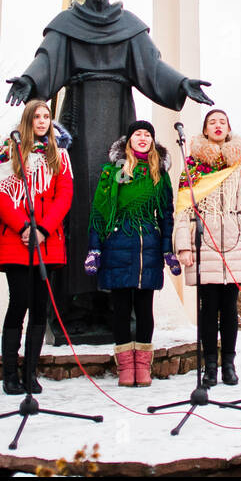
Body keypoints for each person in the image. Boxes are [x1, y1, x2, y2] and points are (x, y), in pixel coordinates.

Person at [4, 0, 213, 315]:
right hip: (78, 117)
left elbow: (153, 66)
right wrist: (29, 79)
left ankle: (115, 296)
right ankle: (77, 299)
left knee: (121, 196)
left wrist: (181, 82)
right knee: (82, 199)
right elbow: (46, 60)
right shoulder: (65, 25)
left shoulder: (129, 26)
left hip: (119, 116)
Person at [85, 120, 180, 386]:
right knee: (121, 309)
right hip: (118, 243)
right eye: (138, 134)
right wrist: (95, 248)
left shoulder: (158, 174)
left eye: (147, 134)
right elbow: (100, 210)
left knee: (145, 309)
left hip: (147, 247)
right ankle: (126, 367)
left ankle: (142, 366)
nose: (142, 138)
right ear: (129, 140)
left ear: (152, 141)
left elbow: (165, 214)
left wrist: (166, 250)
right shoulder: (116, 170)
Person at [0, 99, 74, 395]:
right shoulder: (8, 151)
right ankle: (9, 373)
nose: (42, 121)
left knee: (40, 307)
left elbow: (64, 195)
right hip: (16, 240)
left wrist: (43, 229)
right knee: (19, 302)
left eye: (46, 116)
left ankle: (30, 372)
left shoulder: (59, 155)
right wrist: (25, 227)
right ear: (27, 120)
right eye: (36, 116)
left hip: (46, 242)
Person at [174, 109, 241, 387]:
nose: (218, 125)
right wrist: (184, 247)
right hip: (205, 239)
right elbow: (182, 208)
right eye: (213, 121)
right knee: (208, 307)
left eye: (222, 121)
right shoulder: (192, 164)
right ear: (205, 129)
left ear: (229, 127)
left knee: (230, 307)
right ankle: (210, 364)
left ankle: (229, 364)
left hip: (235, 238)